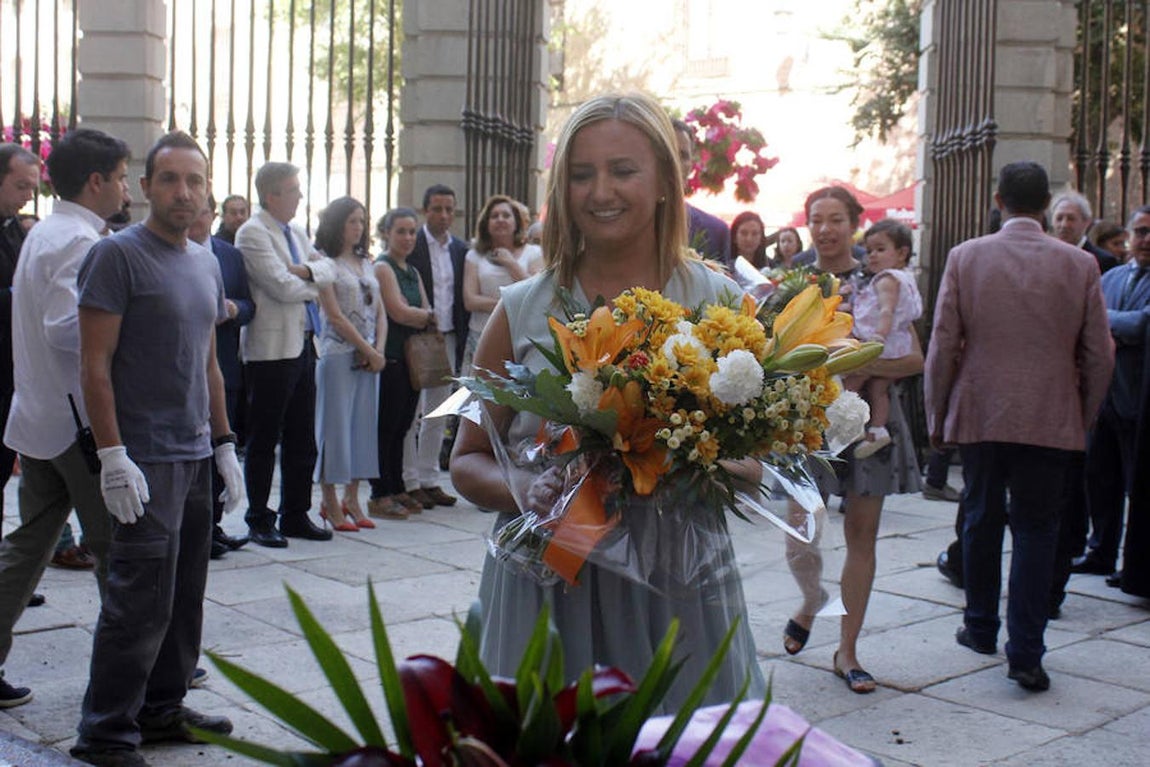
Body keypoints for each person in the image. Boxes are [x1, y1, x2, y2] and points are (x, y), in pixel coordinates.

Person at [452, 92, 764, 710]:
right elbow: (467, 459)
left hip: (677, 584)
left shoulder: (723, 307)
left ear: (664, 184)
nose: (601, 191)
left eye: (623, 170)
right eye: (581, 174)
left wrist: (674, 462)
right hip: (548, 577)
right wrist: (525, 488)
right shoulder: (518, 310)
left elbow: (756, 467)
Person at [71, 131, 244, 767]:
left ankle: (162, 707)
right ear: (144, 187)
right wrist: (112, 455)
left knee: (184, 595)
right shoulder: (116, 256)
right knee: (136, 602)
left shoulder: (204, 260)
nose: (183, 192)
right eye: (168, 179)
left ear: (207, 188)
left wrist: (224, 444)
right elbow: (94, 365)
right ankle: (104, 733)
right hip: (141, 461)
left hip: (195, 454)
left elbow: (208, 364)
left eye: (194, 181)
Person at [925, 161, 1113, 693]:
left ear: (998, 200)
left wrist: (937, 414)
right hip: (1051, 413)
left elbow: (942, 344)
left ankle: (980, 627)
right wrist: (1086, 412)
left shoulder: (966, 257)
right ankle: (1026, 651)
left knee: (980, 518)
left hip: (982, 409)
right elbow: (1101, 354)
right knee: (1037, 531)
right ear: (1045, 203)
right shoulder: (1079, 265)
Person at [0, 128, 128, 710]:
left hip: (40, 417)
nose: (126, 188)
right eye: (123, 177)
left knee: (29, 546)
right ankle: (135, 674)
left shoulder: (49, 232)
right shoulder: (78, 241)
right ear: (96, 181)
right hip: (74, 424)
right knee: (116, 549)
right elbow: (62, 328)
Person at [781, 185, 923, 694]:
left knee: (862, 535)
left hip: (868, 421)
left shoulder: (881, 277)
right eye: (816, 218)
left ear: (853, 223)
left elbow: (914, 359)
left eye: (836, 218)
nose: (824, 228)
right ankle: (810, 597)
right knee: (799, 525)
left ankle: (848, 650)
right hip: (805, 421)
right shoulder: (791, 282)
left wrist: (856, 365)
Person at [236, 162, 337, 547]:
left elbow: (328, 267)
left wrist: (306, 272)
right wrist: (313, 279)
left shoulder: (295, 231)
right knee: (264, 437)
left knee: (302, 437)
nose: (299, 196)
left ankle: (296, 513)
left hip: (304, 344)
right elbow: (280, 287)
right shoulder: (252, 233)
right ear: (271, 194)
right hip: (271, 351)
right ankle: (259, 517)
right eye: (293, 189)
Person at [1075, 208, 1150, 584]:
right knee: (1100, 478)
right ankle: (1100, 550)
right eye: (1140, 231)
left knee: (1135, 483)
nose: (1145, 239)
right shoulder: (1113, 276)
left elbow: (1140, 326)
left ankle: (1134, 563)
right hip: (1104, 396)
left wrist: (1109, 321)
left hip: (1138, 400)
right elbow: (1090, 324)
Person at [187, 194, 255, 559]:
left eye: (204, 210)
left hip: (223, 363)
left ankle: (212, 526)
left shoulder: (228, 255)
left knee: (220, 446)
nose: (198, 216)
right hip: (184, 367)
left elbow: (249, 304)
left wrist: (234, 309)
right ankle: (195, 529)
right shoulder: (171, 251)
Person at [313, 196, 386, 531]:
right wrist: (366, 349)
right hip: (339, 354)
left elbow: (380, 310)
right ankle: (329, 501)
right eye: (351, 220)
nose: (358, 227)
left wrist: (378, 350)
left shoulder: (365, 261)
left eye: (361, 220)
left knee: (362, 428)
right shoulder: (323, 261)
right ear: (337, 223)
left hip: (369, 356)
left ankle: (353, 498)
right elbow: (334, 316)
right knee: (335, 428)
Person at [403, 185, 469, 508]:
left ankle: (429, 478)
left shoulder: (461, 250)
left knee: (438, 413)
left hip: (448, 338)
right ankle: (409, 479)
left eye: (449, 209)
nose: (443, 216)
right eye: (437, 209)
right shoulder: (412, 246)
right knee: (411, 413)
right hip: (416, 339)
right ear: (425, 210)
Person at [368, 208, 434, 520]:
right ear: (386, 233)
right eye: (401, 232)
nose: (408, 238)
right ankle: (380, 492)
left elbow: (422, 308)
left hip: (411, 358)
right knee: (386, 427)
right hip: (391, 356)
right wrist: (422, 315)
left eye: (412, 232)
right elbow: (399, 311)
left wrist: (420, 314)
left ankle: (397, 488)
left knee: (403, 426)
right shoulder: (383, 268)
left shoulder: (412, 270)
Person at [842, 219, 923, 459]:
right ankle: (877, 430)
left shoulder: (887, 279)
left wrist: (878, 337)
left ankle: (850, 426)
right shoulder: (903, 278)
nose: (872, 256)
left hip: (881, 343)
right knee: (878, 389)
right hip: (895, 343)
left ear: (902, 253)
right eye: (869, 251)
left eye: (880, 249)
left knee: (853, 383)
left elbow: (886, 311)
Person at [0, 144, 41, 534]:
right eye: (21, 185)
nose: (29, 195)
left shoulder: (16, 229)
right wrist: (20, 294)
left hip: (12, 370)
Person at [462, 194, 543, 372]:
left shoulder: (534, 253)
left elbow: (538, 293)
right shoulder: (474, 256)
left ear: (516, 222)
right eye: (494, 216)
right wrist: (511, 304)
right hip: (480, 334)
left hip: (521, 337)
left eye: (506, 215)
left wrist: (511, 264)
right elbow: (470, 300)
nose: (500, 220)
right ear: (486, 223)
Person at [671, 119, 732, 267]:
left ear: (691, 165)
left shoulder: (716, 232)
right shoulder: (628, 223)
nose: (675, 162)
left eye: (683, 155)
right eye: (669, 152)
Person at [1050, 190, 1118, 273]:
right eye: (1059, 218)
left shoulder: (1104, 261)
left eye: (1071, 219)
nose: (1064, 225)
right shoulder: (1046, 257)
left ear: (1086, 222)